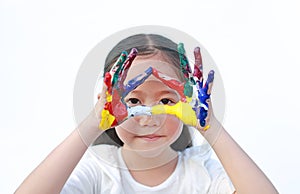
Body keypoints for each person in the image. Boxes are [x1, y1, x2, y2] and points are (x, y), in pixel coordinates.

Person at [15, 34, 278, 194]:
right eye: (132, 100)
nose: (149, 118)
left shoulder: (201, 171)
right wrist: (93, 124)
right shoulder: (99, 171)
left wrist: (210, 126)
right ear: (103, 103)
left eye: (166, 100)